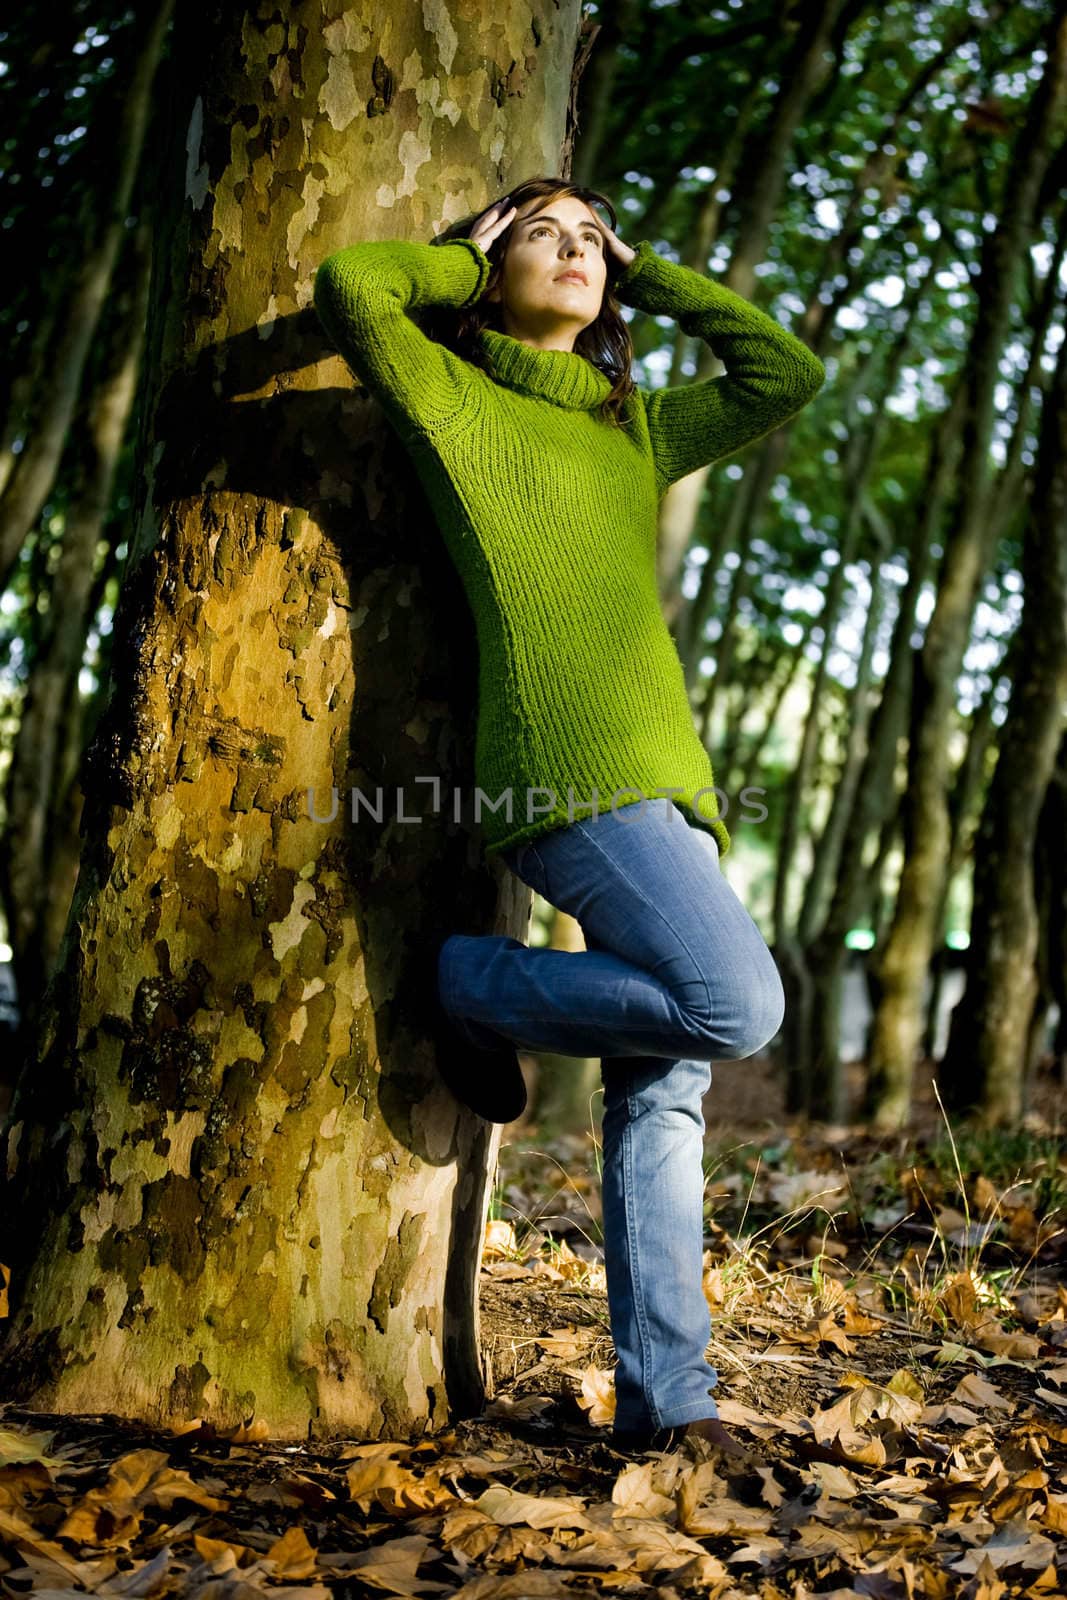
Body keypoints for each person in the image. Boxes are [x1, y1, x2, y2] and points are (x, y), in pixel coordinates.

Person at [313, 175, 825, 1457]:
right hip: (563, 777)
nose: (575, 252)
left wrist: (649, 271)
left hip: (673, 789)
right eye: (543, 235)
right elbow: (353, 290)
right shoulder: (452, 397)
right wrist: (462, 260)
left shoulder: (630, 427)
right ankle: (467, 981)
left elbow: (784, 373)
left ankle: (672, 1404)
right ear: (494, 263)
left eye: (592, 239)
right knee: (739, 1003)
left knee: (662, 1099)